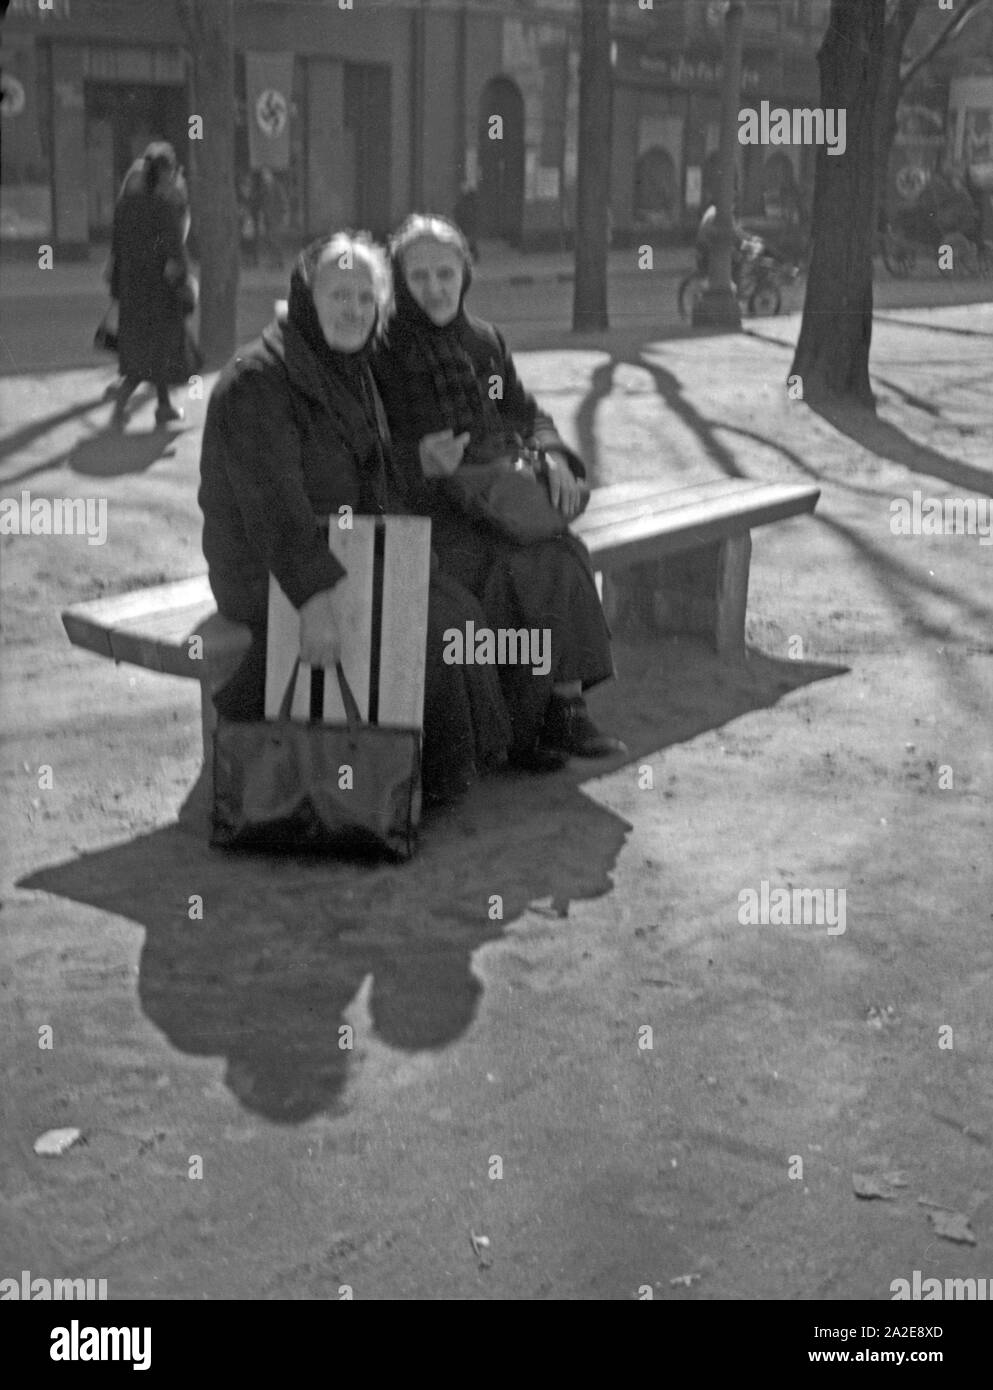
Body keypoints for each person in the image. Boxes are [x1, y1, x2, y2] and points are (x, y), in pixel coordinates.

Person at [198, 231, 511, 806]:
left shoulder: (346, 365)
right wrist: (314, 602)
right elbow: (276, 510)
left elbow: (369, 471)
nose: (354, 310)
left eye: (366, 299)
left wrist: (417, 478)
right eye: (339, 295)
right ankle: (409, 784)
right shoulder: (261, 378)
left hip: (343, 550)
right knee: (435, 624)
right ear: (305, 299)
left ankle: (440, 771)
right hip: (271, 575)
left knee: (457, 598)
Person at [373, 213, 624, 768]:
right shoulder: (381, 352)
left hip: (497, 500)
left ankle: (563, 710)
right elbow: (361, 451)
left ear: (465, 273)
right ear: (398, 280)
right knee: (504, 571)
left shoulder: (484, 341)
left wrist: (555, 455)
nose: (435, 288)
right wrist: (417, 462)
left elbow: (527, 411)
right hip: (424, 511)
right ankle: (519, 729)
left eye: (446, 273)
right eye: (420, 277)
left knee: (559, 554)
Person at [107, 142, 193, 428]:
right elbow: (174, 249)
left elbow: (117, 246)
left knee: (145, 351)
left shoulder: (127, 203)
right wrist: (182, 281)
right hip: (158, 291)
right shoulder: (164, 204)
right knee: (158, 350)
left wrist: (118, 285)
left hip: (133, 289)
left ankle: (162, 406)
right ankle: (130, 399)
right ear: (166, 171)